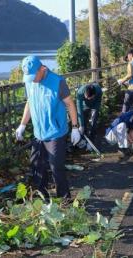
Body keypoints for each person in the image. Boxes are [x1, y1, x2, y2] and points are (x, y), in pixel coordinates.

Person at [15, 56, 81, 200]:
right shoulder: (30, 82)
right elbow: (29, 102)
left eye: (33, 76)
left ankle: (64, 200)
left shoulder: (58, 82)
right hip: (39, 132)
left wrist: (75, 127)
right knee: (36, 166)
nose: (32, 79)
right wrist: (22, 124)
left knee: (56, 167)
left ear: (43, 69)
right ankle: (43, 199)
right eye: (28, 77)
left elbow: (70, 104)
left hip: (55, 132)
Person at [76, 83, 103, 150]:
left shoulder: (99, 91)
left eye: (90, 97)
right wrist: (81, 125)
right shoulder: (80, 92)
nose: (88, 98)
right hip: (84, 105)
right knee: (83, 122)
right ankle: (83, 139)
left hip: (95, 104)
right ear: (84, 93)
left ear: (94, 95)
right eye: (86, 97)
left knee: (93, 122)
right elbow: (79, 109)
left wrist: (94, 115)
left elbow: (97, 105)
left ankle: (91, 141)